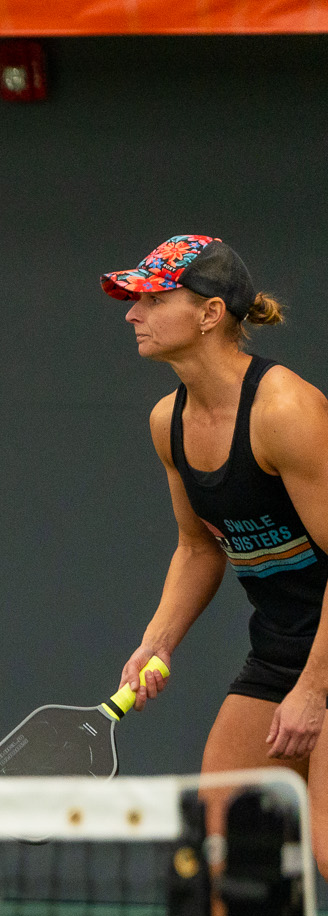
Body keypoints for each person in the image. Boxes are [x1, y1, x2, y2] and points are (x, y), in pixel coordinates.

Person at [106, 235, 328, 865]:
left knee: (327, 847)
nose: (133, 313)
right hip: (281, 648)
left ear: (209, 313)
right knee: (220, 850)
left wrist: (314, 690)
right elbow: (198, 547)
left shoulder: (286, 411)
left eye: (154, 298)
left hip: (324, 653)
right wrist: (157, 641)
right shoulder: (167, 422)